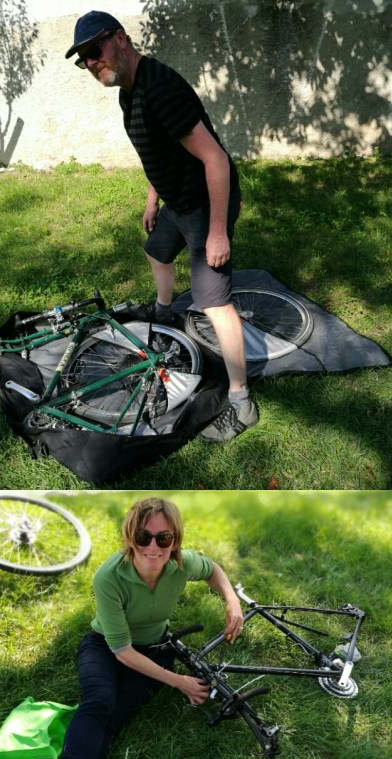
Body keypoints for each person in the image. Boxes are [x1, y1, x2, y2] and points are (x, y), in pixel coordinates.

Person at [66, 11, 257, 443]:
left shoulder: (160, 89)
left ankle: (242, 402)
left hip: (206, 204)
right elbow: (157, 151)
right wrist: (153, 199)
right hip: (178, 201)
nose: (91, 62)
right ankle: (165, 313)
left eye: (95, 50)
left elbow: (216, 160)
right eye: (83, 59)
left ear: (121, 38)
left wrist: (218, 231)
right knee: (156, 251)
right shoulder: (129, 94)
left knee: (214, 304)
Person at [12, 497, 244, 759]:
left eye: (163, 538)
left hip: (155, 651)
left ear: (175, 541)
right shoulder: (109, 576)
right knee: (99, 701)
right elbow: (122, 651)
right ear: (130, 538)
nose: (153, 547)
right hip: (105, 648)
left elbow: (213, 570)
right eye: (143, 536)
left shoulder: (181, 564)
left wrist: (232, 600)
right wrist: (180, 682)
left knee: (112, 719)